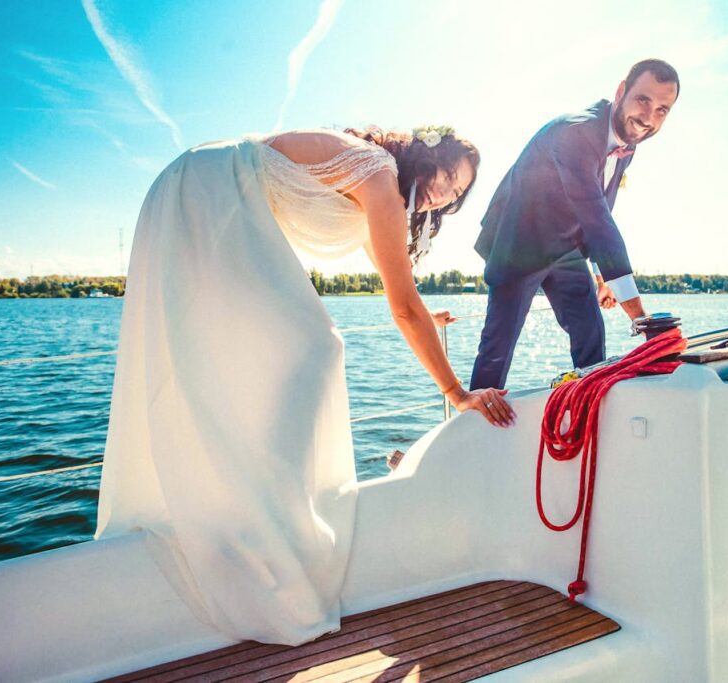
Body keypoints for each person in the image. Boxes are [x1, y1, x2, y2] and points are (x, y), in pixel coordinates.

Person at [94, 125, 515, 646]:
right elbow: (403, 307)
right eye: (448, 176)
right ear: (426, 155)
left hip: (204, 186)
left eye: (457, 192)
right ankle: (263, 514)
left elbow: (397, 284)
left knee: (284, 349)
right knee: (314, 345)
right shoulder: (380, 177)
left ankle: (249, 506)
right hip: (208, 187)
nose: (446, 193)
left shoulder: (376, 183)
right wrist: (457, 393)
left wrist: (428, 316)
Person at [471, 59, 680, 390]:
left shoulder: (627, 142)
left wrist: (602, 276)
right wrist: (641, 319)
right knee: (498, 347)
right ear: (621, 91)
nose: (648, 117)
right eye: (643, 100)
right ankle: (475, 426)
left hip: (566, 247)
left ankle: (589, 407)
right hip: (519, 245)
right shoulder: (576, 132)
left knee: (590, 332)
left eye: (662, 110)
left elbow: (601, 207)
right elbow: (597, 218)